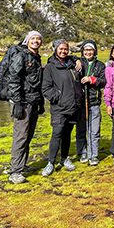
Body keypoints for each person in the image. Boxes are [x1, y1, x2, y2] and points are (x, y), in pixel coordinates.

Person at [41, 40, 83, 177]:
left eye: (65, 49)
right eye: (61, 49)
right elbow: (46, 88)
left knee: (67, 134)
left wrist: (77, 59)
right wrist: (58, 98)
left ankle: (64, 158)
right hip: (59, 108)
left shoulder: (71, 64)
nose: (63, 51)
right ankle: (50, 163)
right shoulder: (50, 67)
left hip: (73, 106)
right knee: (57, 134)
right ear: (55, 49)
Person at [7, 30, 44, 184]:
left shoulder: (36, 58)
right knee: (21, 136)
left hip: (34, 101)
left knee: (28, 136)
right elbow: (14, 79)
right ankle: (15, 172)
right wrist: (16, 103)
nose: (36, 41)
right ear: (27, 41)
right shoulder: (21, 56)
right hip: (23, 102)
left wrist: (41, 102)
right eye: (33, 38)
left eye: (38, 39)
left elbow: (37, 83)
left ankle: (21, 165)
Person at [76, 39, 106, 166]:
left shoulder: (100, 65)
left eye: (91, 50)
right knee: (81, 129)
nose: (88, 52)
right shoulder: (77, 63)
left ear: (95, 51)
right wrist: (75, 59)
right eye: (86, 50)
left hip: (94, 101)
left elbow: (104, 81)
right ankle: (82, 152)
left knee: (94, 130)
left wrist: (92, 79)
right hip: (80, 102)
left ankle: (94, 155)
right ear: (82, 51)